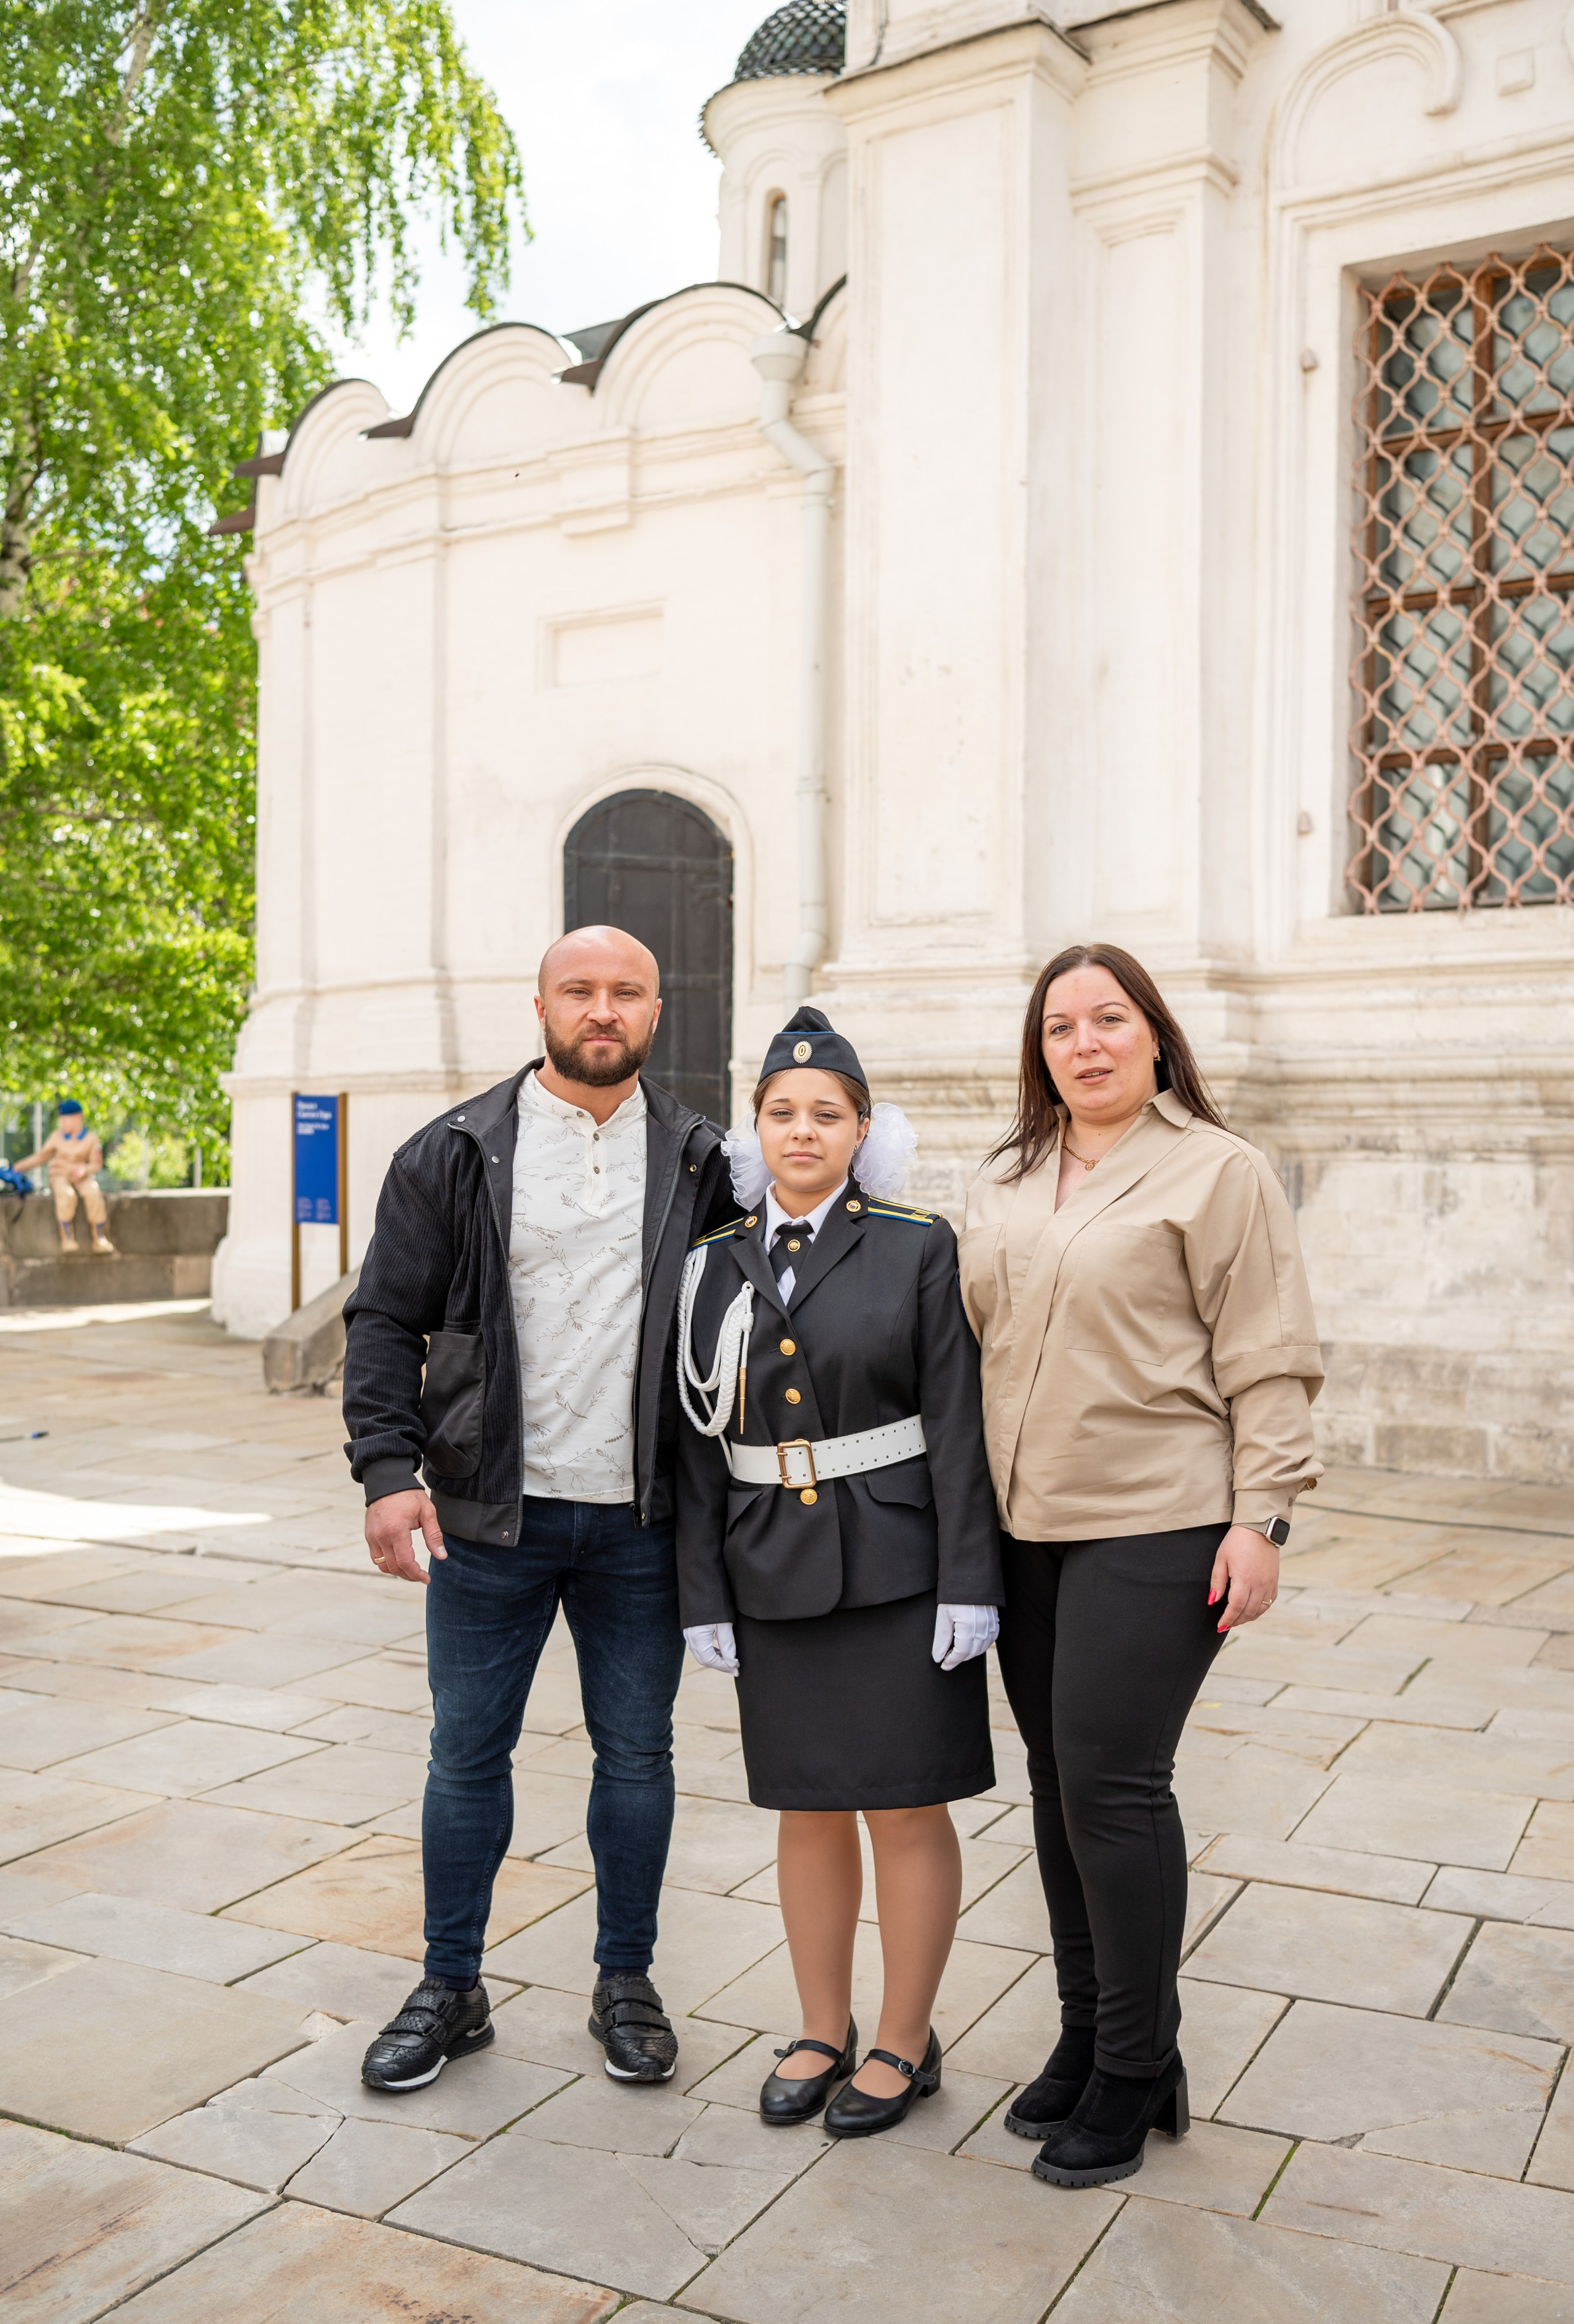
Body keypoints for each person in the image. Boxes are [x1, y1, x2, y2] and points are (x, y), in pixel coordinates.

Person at [341, 926, 737, 2094]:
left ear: (657, 1012)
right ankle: (450, 1982)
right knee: (466, 1756)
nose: (601, 1009)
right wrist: (386, 1469)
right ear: (542, 1004)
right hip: (486, 1516)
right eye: (581, 990)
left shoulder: (709, 1159)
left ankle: (627, 1979)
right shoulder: (454, 1149)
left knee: (638, 1755)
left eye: (625, 991)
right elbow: (382, 1321)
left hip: (641, 1519)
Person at [958, 944, 1322, 2189]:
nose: (1084, 1043)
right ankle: (1087, 2030)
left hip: (1160, 1521)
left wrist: (1259, 1518)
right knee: (1057, 1787)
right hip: (1023, 1528)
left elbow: (1267, 1352)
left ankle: (1133, 2065)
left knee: (1112, 1790)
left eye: (1108, 1019)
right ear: (1038, 1051)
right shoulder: (1006, 1176)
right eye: (1059, 1026)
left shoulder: (1217, 1172)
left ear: (1153, 1037)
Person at [677, 1007, 1003, 2136]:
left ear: (864, 1131)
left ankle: (905, 2037)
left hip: (904, 1567)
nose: (802, 1129)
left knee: (907, 1806)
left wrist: (974, 1577)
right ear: (752, 1129)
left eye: (828, 1113)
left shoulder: (918, 1243)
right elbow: (695, 1445)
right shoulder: (712, 1263)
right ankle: (822, 2024)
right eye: (782, 1112)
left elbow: (958, 1421)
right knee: (808, 1807)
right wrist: (699, 1596)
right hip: (771, 1570)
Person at [14, 1101, 116, 1254]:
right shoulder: (57, 1137)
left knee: (93, 1193)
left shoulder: (90, 1139)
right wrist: (19, 1167)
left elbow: (97, 1164)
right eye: (61, 1119)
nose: (62, 1122)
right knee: (66, 1195)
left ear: (78, 1118)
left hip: (81, 1177)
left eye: (66, 1119)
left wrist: (85, 1169)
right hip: (59, 1175)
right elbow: (42, 1157)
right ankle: (67, 1238)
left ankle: (99, 1238)